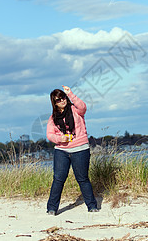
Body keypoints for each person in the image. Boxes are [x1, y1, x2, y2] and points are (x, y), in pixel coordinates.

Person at [46, 85, 98, 215]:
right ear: (54, 103)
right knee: (58, 179)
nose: (62, 101)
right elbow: (50, 135)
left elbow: (83, 107)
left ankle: (92, 206)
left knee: (82, 178)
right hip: (61, 151)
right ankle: (52, 208)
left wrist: (70, 94)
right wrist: (61, 138)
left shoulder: (75, 110)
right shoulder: (53, 118)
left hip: (80, 149)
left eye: (63, 98)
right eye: (58, 100)